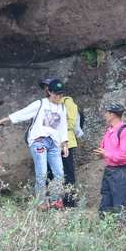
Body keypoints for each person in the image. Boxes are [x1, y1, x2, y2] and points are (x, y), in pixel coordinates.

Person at [0, 78, 69, 208]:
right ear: (49, 92)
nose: (59, 96)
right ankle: (41, 202)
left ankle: (55, 200)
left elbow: (63, 126)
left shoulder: (62, 107)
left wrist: (65, 143)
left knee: (59, 173)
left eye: (61, 94)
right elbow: (23, 113)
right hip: (39, 141)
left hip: (54, 143)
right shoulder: (40, 104)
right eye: (56, 94)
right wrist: (5, 120)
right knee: (42, 173)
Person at [45, 79, 82, 208]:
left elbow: (70, 123)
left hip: (67, 142)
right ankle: (53, 201)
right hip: (51, 144)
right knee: (50, 173)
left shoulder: (67, 101)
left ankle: (69, 202)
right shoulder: (46, 104)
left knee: (67, 173)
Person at [96, 103, 126, 217]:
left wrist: (106, 154)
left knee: (120, 200)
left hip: (122, 170)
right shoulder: (109, 130)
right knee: (106, 198)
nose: (105, 115)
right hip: (110, 169)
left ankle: (120, 228)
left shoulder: (125, 131)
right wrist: (101, 154)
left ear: (112, 115)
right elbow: (105, 149)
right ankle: (105, 226)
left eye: (107, 113)